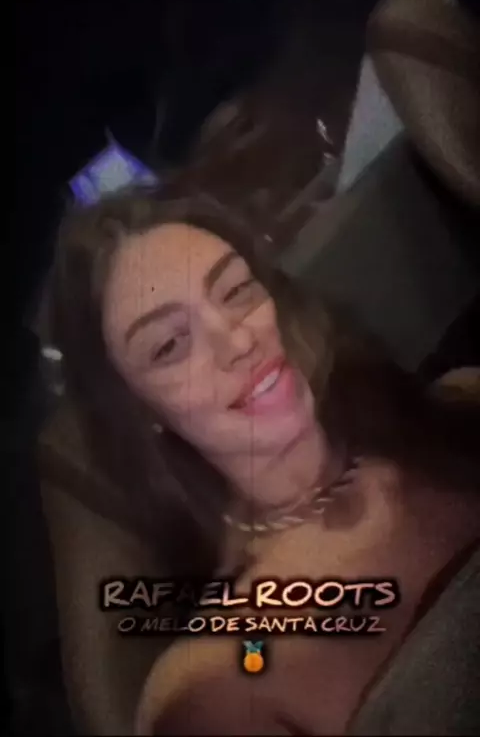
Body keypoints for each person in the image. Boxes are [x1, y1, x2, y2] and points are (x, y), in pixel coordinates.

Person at [49, 185, 480, 735]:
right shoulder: (214, 686)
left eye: (235, 291)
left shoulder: (460, 403)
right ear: (141, 411)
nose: (237, 341)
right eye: (170, 345)